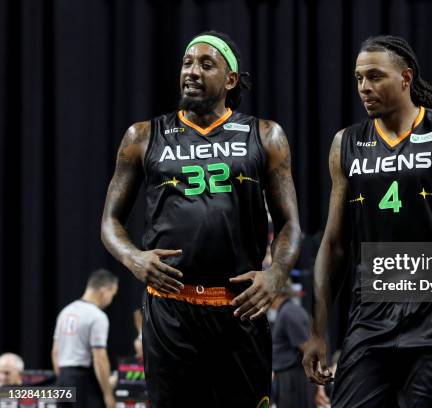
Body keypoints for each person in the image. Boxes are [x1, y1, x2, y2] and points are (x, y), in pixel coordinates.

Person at [302, 34, 432, 408]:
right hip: (370, 316)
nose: (364, 87)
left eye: (375, 76)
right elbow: (333, 244)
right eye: (358, 78)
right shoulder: (345, 144)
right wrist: (316, 330)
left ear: (405, 78)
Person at [101, 30, 300, 407]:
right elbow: (110, 221)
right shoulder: (142, 136)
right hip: (170, 311)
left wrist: (276, 275)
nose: (191, 71)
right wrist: (133, 257)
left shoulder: (266, 135)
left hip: (239, 309)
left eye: (206, 64)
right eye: (187, 62)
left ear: (230, 80)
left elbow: (290, 223)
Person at [51, 268, 118, 408]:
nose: (110, 300)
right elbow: (100, 358)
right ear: (104, 291)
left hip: (63, 379)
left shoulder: (65, 311)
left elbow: (55, 352)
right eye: (112, 295)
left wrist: (63, 380)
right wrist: (107, 394)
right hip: (83, 383)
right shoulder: (97, 316)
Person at [271, 282, 314, 408]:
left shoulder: (289, 312)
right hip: (287, 379)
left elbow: (308, 349)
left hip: (293, 381)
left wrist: (318, 387)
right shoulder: (286, 311)